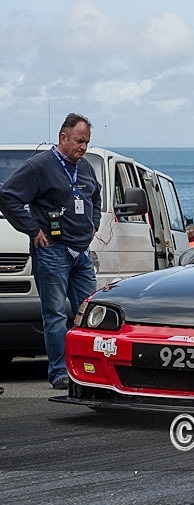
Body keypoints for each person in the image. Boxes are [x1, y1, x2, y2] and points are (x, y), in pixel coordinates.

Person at [0, 113, 101, 389]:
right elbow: (8, 196)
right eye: (79, 141)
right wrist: (32, 229)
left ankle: (89, 370)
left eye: (87, 142)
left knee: (90, 312)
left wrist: (94, 224)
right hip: (53, 251)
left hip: (81, 251)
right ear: (63, 138)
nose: (83, 147)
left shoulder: (86, 167)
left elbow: (95, 195)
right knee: (55, 313)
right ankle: (59, 372)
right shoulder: (39, 166)